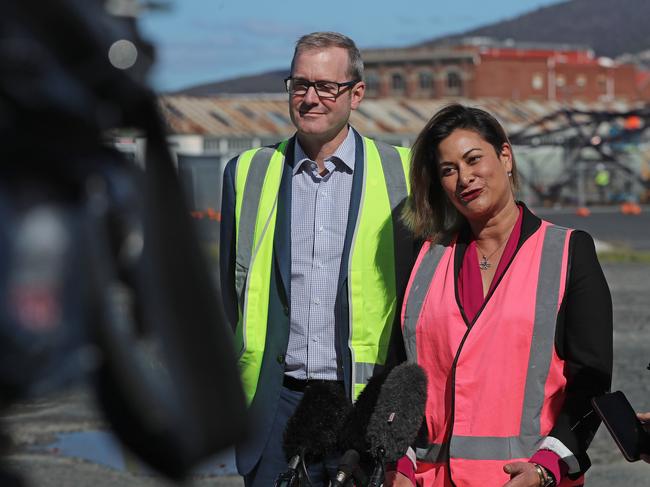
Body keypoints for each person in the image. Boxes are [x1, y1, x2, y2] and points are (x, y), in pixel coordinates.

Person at [219, 32, 413, 486]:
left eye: (326, 86)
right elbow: (232, 290)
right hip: (275, 404)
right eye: (299, 84)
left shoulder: (404, 173)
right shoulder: (246, 173)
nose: (310, 98)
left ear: (356, 93)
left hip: (361, 403)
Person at [390, 104, 613, 486]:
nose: (465, 178)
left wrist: (546, 467)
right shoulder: (424, 259)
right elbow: (402, 377)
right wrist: (400, 461)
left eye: (474, 159)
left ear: (505, 157)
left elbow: (591, 386)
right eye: (448, 170)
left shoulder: (568, 253)